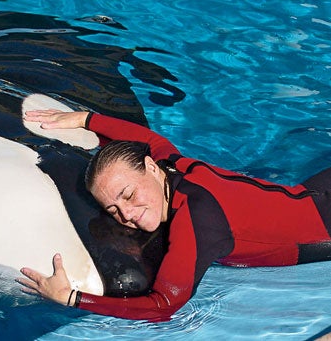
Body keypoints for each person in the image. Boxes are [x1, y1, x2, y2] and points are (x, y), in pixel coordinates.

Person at [17, 109, 331, 322]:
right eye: (112, 210)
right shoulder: (173, 164)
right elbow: (150, 141)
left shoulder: (199, 219)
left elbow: (164, 305)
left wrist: (73, 298)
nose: (126, 215)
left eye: (128, 195)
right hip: (314, 192)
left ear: (151, 169)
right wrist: (87, 119)